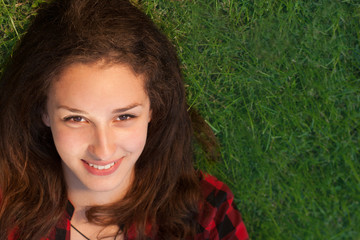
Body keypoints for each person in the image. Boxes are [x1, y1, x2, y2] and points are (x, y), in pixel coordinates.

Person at [0, 0, 248, 239]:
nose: (103, 149)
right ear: (43, 111)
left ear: (154, 107)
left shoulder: (207, 213)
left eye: (124, 116)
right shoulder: (5, 211)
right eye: (76, 118)